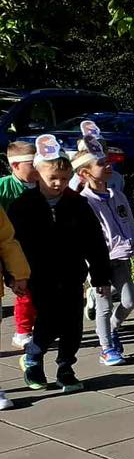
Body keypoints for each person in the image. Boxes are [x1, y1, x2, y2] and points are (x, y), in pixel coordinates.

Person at [10, 136, 110, 394]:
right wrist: (14, 276)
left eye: (64, 179)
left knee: (73, 324)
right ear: (37, 175)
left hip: (72, 273)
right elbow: (11, 244)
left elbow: (94, 241)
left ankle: (66, 366)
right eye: (52, 178)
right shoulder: (23, 206)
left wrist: (101, 275)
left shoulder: (77, 204)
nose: (58, 183)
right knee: (49, 320)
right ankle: (33, 357)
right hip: (39, 275)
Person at [73, 139, 134, 366]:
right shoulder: (83, 202)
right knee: (104, 306)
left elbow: (130, 223)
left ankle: (113, 328)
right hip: (99, 261)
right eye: (101, 164)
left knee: (129, 301)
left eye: (107, 161)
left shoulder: (117, 195)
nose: (108, 165)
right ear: (85, 173)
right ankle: (106, 348)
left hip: (122, 257)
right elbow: (84, 237)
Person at [2, 141, 39, 350]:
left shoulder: (44, 184)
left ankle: (36, 327)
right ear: (15, 165)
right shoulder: (3, 187)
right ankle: (22, 331)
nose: (38, 168)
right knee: (23, 292)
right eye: (33, 164)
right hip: (14, 251)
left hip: (38, 248)